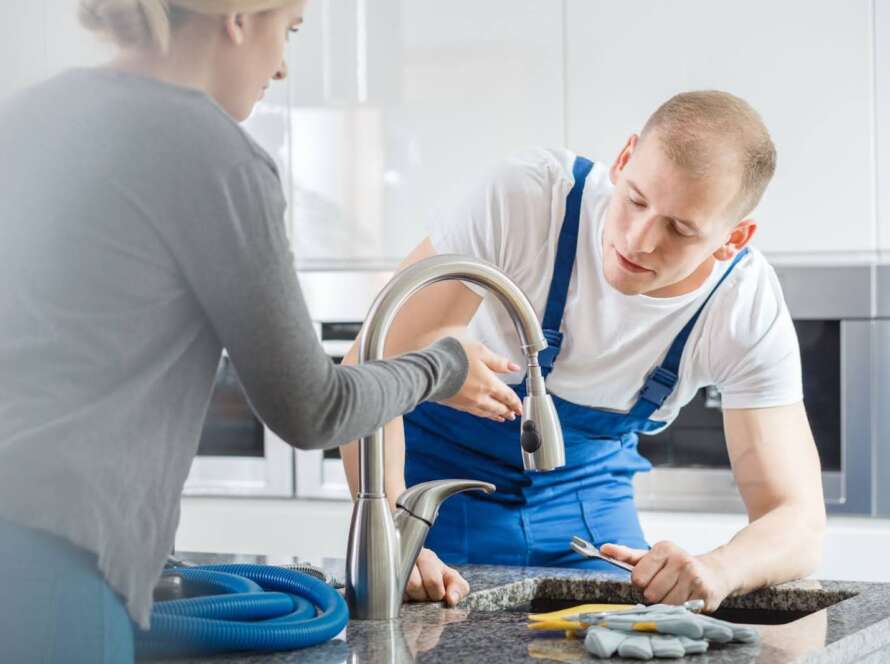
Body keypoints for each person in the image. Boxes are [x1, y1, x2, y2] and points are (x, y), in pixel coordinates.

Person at [0, 1, 522, 661]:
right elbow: (314, 409)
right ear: (239, 17)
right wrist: (440, 365)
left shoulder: (29, 114)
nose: (280, 67)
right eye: (290, 31)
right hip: (56, 572)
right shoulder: (212, 154)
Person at [341, 90, 826, 612]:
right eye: (636, 200)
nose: (639, 240)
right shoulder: (528, 198)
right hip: (432, 492)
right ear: (623, 159)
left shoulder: (741, 304)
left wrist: (719, 568)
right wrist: (392, 534)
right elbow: (367, 375)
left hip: (586, 508)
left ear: (734, 238)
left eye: (680, 229)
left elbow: (796, 517)